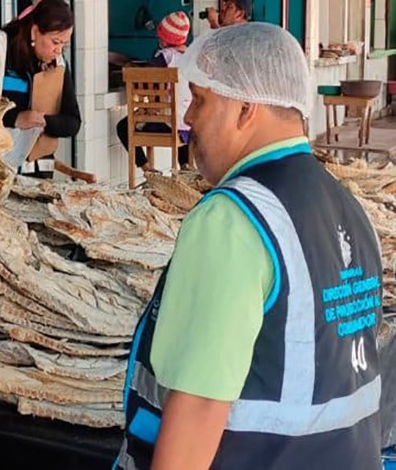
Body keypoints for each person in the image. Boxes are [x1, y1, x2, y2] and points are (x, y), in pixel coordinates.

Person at [116, 23, 383, 470]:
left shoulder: (232, 220)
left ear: (244, 109)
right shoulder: (350, 209)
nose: (187, 119)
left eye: (199, 101)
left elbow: (199, 410)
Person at [0, 0, 81, 179]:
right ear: (35, 31)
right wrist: (14, 118)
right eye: (55, 42)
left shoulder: (59, 63)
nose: (58, 51)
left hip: (38, 176)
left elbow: (73, 122)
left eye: (64, 44)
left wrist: (43, 121)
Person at [115, 11, 192, 170]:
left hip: (165, 124)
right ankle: (185, 167)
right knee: (178, 115)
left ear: (165, 39)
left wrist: (131, 69)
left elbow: (145, 79)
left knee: (123, 127)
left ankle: (147, 169)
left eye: (160, 37)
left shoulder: (165, 57)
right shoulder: (191, 57)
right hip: (190, 125)